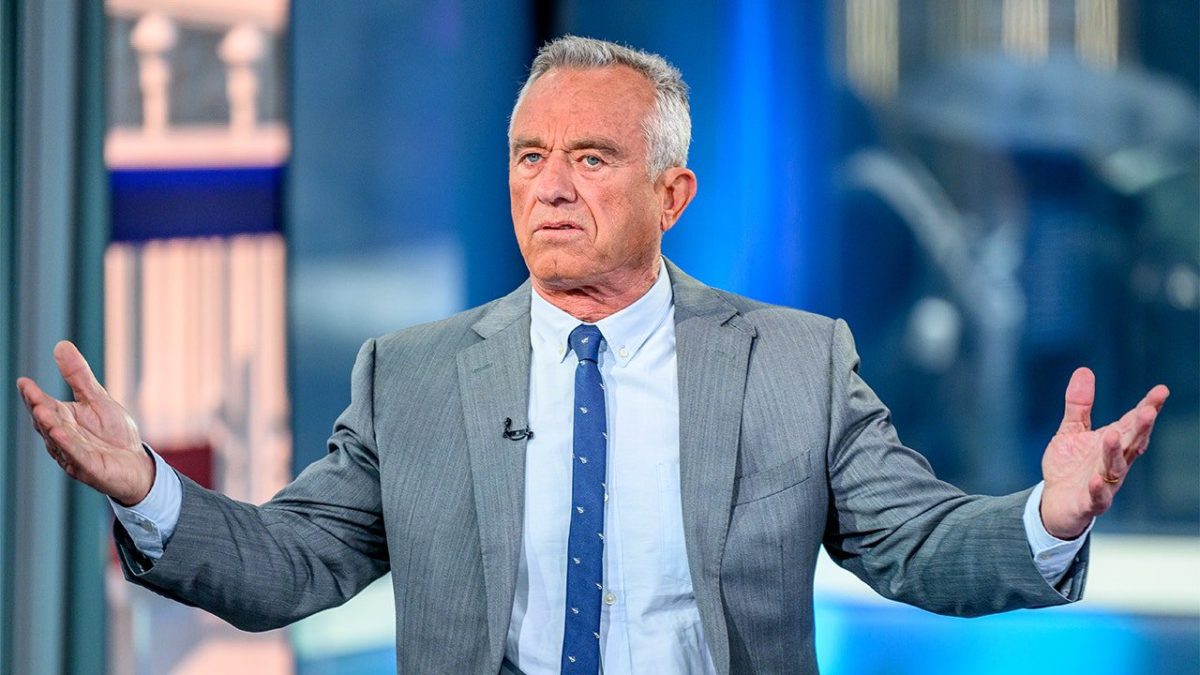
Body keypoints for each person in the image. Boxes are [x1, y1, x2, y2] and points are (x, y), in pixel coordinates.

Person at [16, 36, 1168, 675]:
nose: (551, 186)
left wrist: (1047, 518)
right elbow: (290, 568)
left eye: (590, 158)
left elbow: (916, 546)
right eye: (529, 156)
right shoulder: (410, 376)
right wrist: (150, 491)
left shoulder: (795, 364)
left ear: (674, 194)